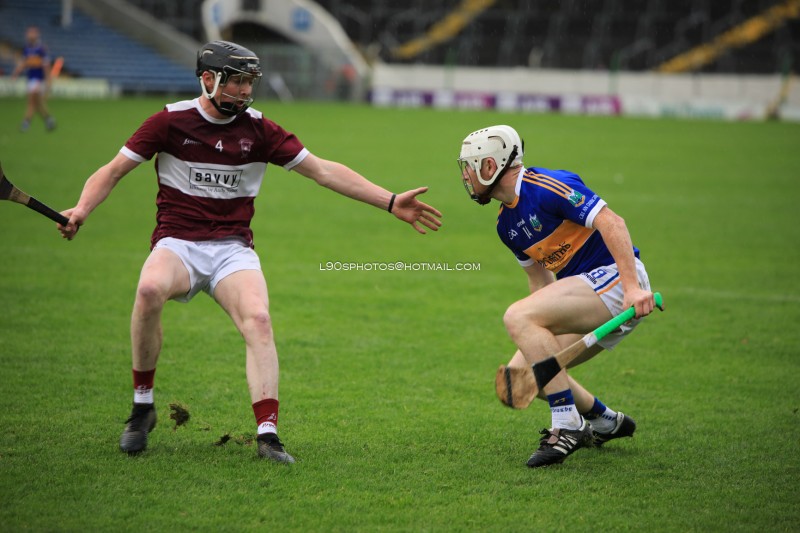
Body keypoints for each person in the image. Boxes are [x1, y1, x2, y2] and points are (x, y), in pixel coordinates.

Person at [57, 41, 442, 463]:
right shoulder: (169, 122)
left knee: (258, 319)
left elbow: (324, 171)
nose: (243, 91)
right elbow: (113, 170)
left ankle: (268, 436)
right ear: (208, 79)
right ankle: (142, 407)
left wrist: (389, 201)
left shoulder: (259, 130)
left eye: (248, 82)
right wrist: (82, 208)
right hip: (178, 243)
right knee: (149, 290)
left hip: (231, 249)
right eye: (235, 81)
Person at [457, 125, 658, 468]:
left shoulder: (545, 187)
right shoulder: (506, 225)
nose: (465, 175)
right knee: (519, 380)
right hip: (585, 297)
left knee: (516, 316)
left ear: (491, 166)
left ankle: (567, 425)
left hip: (616, 282)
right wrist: (541, 338)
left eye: (470, 165)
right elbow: (541, 285)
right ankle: (604, 420)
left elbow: (612, 222)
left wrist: (633, 287)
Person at [11, 26, 56, 132]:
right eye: (29, 33)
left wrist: (48, 80)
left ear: (36, 35)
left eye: (32, 33)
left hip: (38, 80)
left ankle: (26, 123)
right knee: (38, 103)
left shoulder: (40, 49)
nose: (30, 35)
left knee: (31, 102)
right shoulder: (26, 49)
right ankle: (49, 120)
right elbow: (23, 64)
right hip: (30, 79)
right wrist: (16, 73)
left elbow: (46, 66)